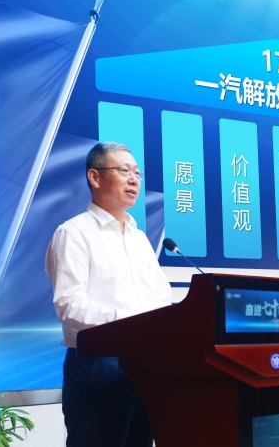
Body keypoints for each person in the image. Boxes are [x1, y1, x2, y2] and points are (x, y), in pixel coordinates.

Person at [45, 141, 172, 447]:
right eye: (124, 171)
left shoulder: (139, 238)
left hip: (144, 365)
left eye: (137, 173)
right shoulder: (73, 233)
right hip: (97, 365)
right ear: (95, 177)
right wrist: (132, 325)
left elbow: (160, 297)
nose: (134, 180)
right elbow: (69, 306)